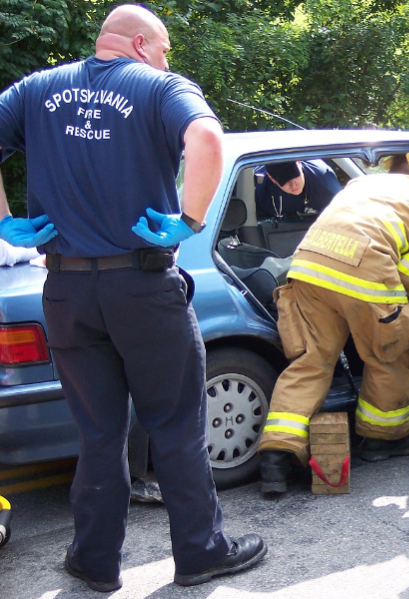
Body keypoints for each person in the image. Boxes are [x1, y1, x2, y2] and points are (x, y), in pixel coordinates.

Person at [0, 5, 267, 591]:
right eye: (166, 48)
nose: (169, 59)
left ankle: (94, 563)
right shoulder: (160, 86)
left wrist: (4, 221)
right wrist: (189, 219)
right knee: (174, 424)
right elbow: (205, 136)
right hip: (143, 286)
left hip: (67, 289)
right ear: (142, 44)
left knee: (98, 433)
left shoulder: (35, 90)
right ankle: (201, 554)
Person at [258, 154, 409, 495]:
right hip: (364, 277)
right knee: (388, 355)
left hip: (306, 270)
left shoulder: (366, 182)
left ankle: (276, 455)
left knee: (310, 363)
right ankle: (381, 440)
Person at [255, 159, 342, 220]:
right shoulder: (259, 188)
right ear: (272, 179)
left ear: (299, 162)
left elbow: (343, 218)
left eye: (295, 175)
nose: (293, 185)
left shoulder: (326, 185)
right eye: (284, 181)